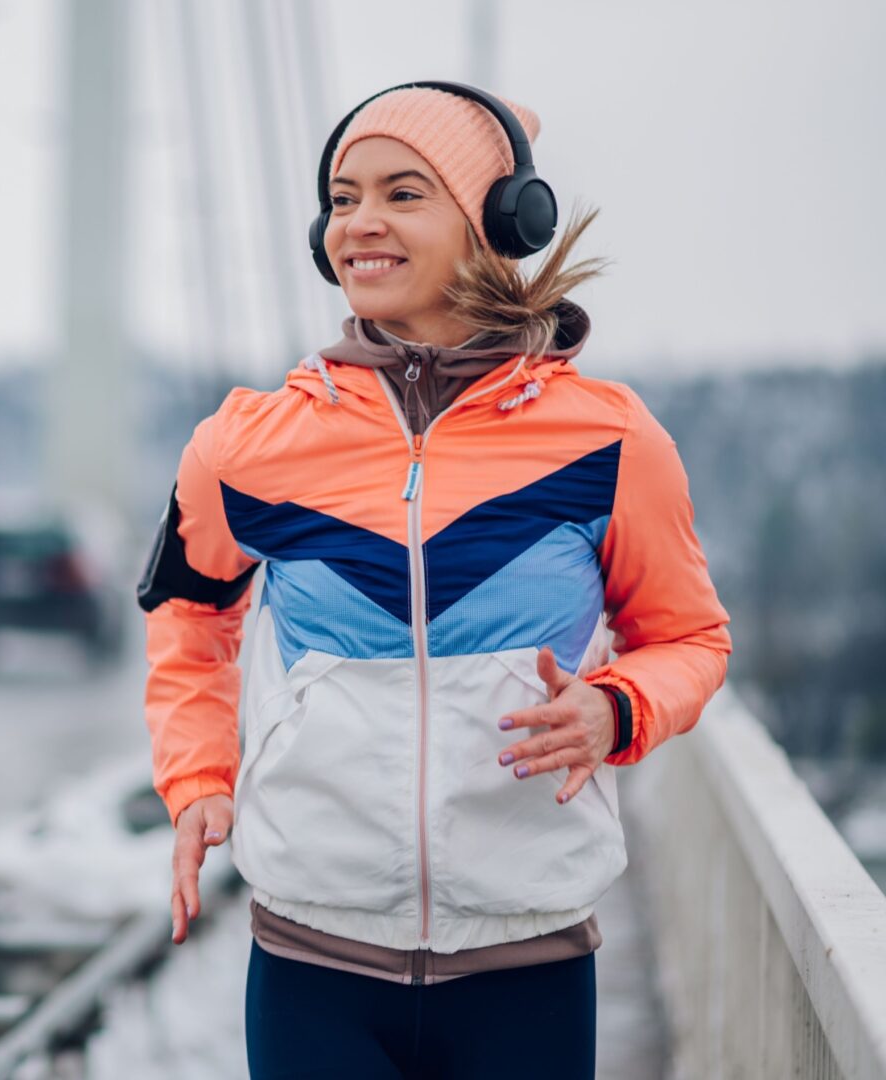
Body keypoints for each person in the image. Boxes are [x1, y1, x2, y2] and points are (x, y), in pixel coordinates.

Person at [136, 82, 731, 1079]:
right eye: (342, 196)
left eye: (403, 193)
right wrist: (198, 777)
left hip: (527, 960)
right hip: (308, 960)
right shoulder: (245, 445)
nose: (359, 222)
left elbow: (691, 639)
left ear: (499, 224)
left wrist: (615, 711)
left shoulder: (608, 441)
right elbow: (192, 616)